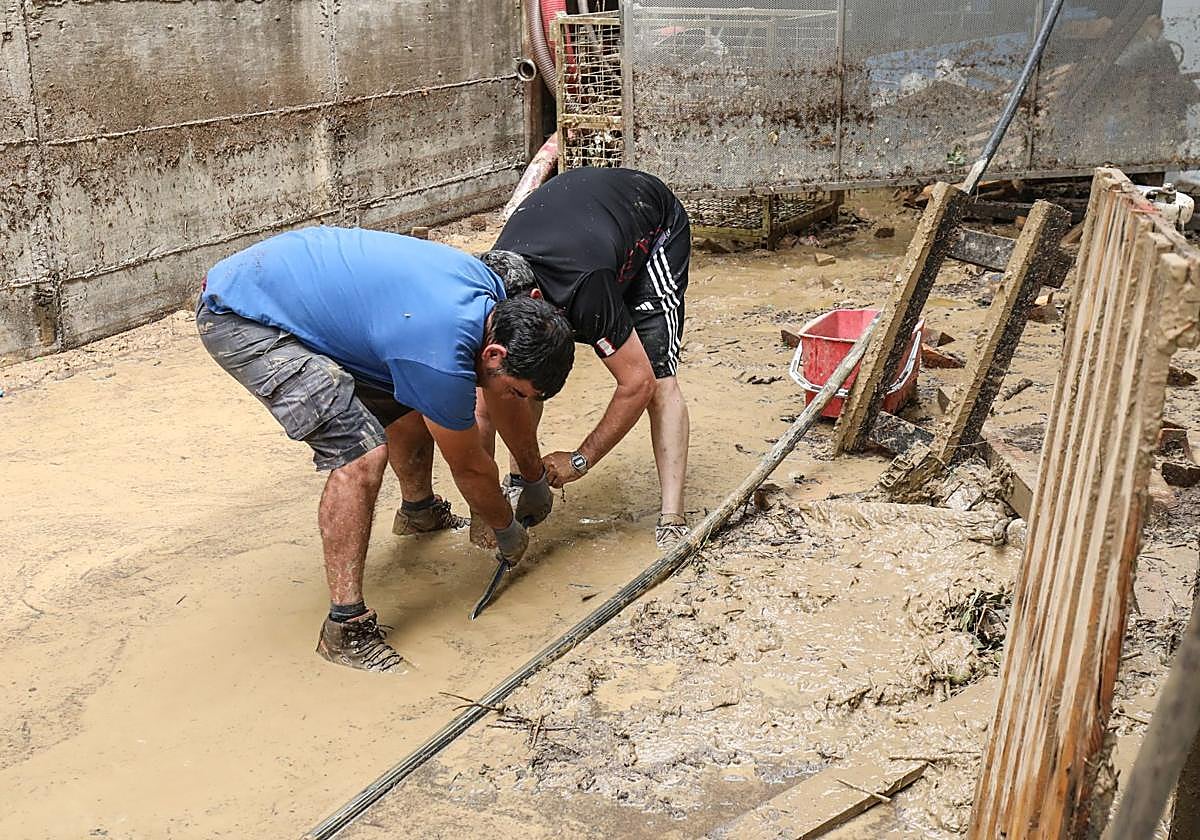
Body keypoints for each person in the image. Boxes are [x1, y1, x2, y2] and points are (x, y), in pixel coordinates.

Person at [196, 226, 574, 673]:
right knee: (360, 453)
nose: (514, 401)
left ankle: (419, 513)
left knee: (413, 407)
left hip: (287, 288)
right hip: (243, 316)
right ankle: (346, 629)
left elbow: (484, 404)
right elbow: (470, 467)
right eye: (516, 391)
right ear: (493, 355)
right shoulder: (438, 352)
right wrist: (507, 529)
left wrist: (530, 477)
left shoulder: (490, 299)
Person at [478, 166, 692, 549]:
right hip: (585, 226)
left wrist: (581, 459)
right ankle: (520, 484)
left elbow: (636, 383)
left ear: (540, 303)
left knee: (658, 377)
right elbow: (488, 401)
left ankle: (672, 516)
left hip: (650, 228)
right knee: (518, 378)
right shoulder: (487, 287)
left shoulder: (584, 287)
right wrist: (499, 497)